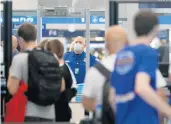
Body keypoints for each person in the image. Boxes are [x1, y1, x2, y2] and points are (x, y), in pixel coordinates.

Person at [111, 11, 171, 124]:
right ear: (155, 29)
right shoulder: (148, 52)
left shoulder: (122, 54)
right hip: (143, 119)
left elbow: (112, 95)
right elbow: (142, 88)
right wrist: (168, 111)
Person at [7, 23, 65, 122]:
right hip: (50, 115)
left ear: (20, 39)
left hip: (30, 114)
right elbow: (62, 87)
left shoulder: (20, 58)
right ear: (35, 36)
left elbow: (12, 89)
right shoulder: (51, 56)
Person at [82, 25, 128, 111]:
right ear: (127, 43)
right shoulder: (141, 66)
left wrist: (103, 110)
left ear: (106, 46)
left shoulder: (95, 71)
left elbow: (86, 102)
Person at [45, 39, 77, 122]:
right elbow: (74, 88)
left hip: (54, 114)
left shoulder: (51, 68)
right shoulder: (66, 66)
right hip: (64, 112)